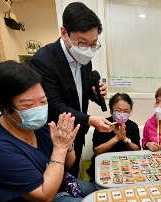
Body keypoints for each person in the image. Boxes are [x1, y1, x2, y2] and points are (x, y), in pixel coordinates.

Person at [0, 61, 97, 202]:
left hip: (57, 188)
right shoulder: (0, 149)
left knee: (103, 193)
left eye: (43, 101)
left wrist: (67, 143)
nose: (38, 110)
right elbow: (45, 196)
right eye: (28, 105)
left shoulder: (35, 124)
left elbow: (68, 163)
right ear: (5, 107)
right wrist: (59, 148)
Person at [29, 2, 113, 178]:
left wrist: (94, 93)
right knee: (59, 184)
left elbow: (77, 91)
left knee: (75, 178)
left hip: (77, 133)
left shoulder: (84, 58)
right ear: (64, 33)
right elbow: (53, 105)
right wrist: (90, 120)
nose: (88, 51)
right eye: (82, 43)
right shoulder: (43, 61)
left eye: (94, 44)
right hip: (54, 138)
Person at [86, 93, 141, 181]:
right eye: (118, 110)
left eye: (126, 111)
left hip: (126, 168)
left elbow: (137, 150)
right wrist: (116, 139)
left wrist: (125, 139)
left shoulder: (133, 126)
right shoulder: (102, 124)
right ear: (111, 110)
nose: (122, 114)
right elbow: (97, 151)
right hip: (104, 167)